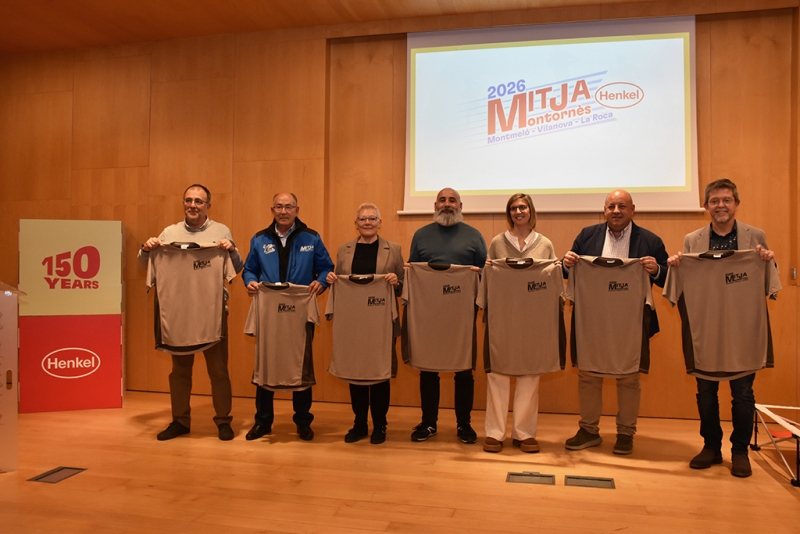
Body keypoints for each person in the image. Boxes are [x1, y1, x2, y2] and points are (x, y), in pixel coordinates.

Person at [667, 179, 776, 478]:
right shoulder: (692, 240)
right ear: (706, 206)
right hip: (707, 328)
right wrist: (677, 264)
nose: (721, 206)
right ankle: (711, 447)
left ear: (736, 204)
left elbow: (768, 282)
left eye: (726, 200)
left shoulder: (756, 236)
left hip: (742, 329)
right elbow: (683, 282)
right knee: (705, 392)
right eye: (714, 201)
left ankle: (740, 451)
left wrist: (768, 259)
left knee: (743, 393)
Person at [562, 189, 668, 455]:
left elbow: (668, 277)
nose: (616, 211)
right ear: (604, 210)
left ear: (632, 209)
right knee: (588, 374)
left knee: (629, 376)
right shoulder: (587, 236)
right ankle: (588, 429)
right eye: (611, 206)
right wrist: (567, 262)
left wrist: (656, 269)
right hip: (592, 320)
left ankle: (626, 433)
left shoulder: (650, 240)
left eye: (622, 206)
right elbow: (566, 270)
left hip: (631, 322)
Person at [138, 184, 242, 441]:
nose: (193, 205)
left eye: (198, 201)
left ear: (208, 205)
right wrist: (146, 249)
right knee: (180, 371)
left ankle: (223, 421)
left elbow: (236, 268)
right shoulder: (169, 233)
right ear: (183, 203)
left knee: (218, 370)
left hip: (213, 313)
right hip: (179, 314)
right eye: (188, 200)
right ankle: (180, 421)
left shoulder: (221, 231)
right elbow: (144, 265)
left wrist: (231, 249)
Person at [242, 192, 333, 442]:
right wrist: (250, 282)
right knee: (266, 363)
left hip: (299, 312)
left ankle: (303, 422)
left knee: (300, 365)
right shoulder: (259, 239)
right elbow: (249, 269)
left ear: (297, 210)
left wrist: (321, 282)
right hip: (269, 312)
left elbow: (327, 267)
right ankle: (263, 422)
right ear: (272, 210)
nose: (283, 211)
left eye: (288, 207)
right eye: (279, 207)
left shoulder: (311, 237)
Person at [407, 187, 487, 443]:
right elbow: (413, 271)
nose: (447, 204)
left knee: (463, 369)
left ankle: (464, 424)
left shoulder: (474, 236)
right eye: (442, 200)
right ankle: (429, 423)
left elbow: (486, 272)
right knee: (428, 368)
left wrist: (477, 274)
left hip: (461, 312)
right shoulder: (421, 235)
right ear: (435, 205)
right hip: (428, 312)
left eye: (452, 200)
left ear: (460, 206)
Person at [482, 193, 559, 453]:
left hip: (533, 319)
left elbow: (552, 281)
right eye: (513, 208)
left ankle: (524, 433)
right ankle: (495, 433)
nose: (518, 211)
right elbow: (489, 278)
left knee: (529, 373)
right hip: (503, 318)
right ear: (509, 213)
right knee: (497, 374)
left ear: (530, 210)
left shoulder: (545, 244)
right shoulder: (497, 243)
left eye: (522, 207)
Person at [326, 203, 404, 444]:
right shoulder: (344, 250)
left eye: (372, 218)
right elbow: (341, 281)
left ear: (380, 223)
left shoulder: (394, 249)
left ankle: (380, 425)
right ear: (356, 224)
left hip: (381, 323)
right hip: (353, 323)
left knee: (379, 374)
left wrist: (396, 281)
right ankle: (359, 423)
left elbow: (404, 285)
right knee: (355, 372)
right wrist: (332, 278)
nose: (367, 222)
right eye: (362, 219)